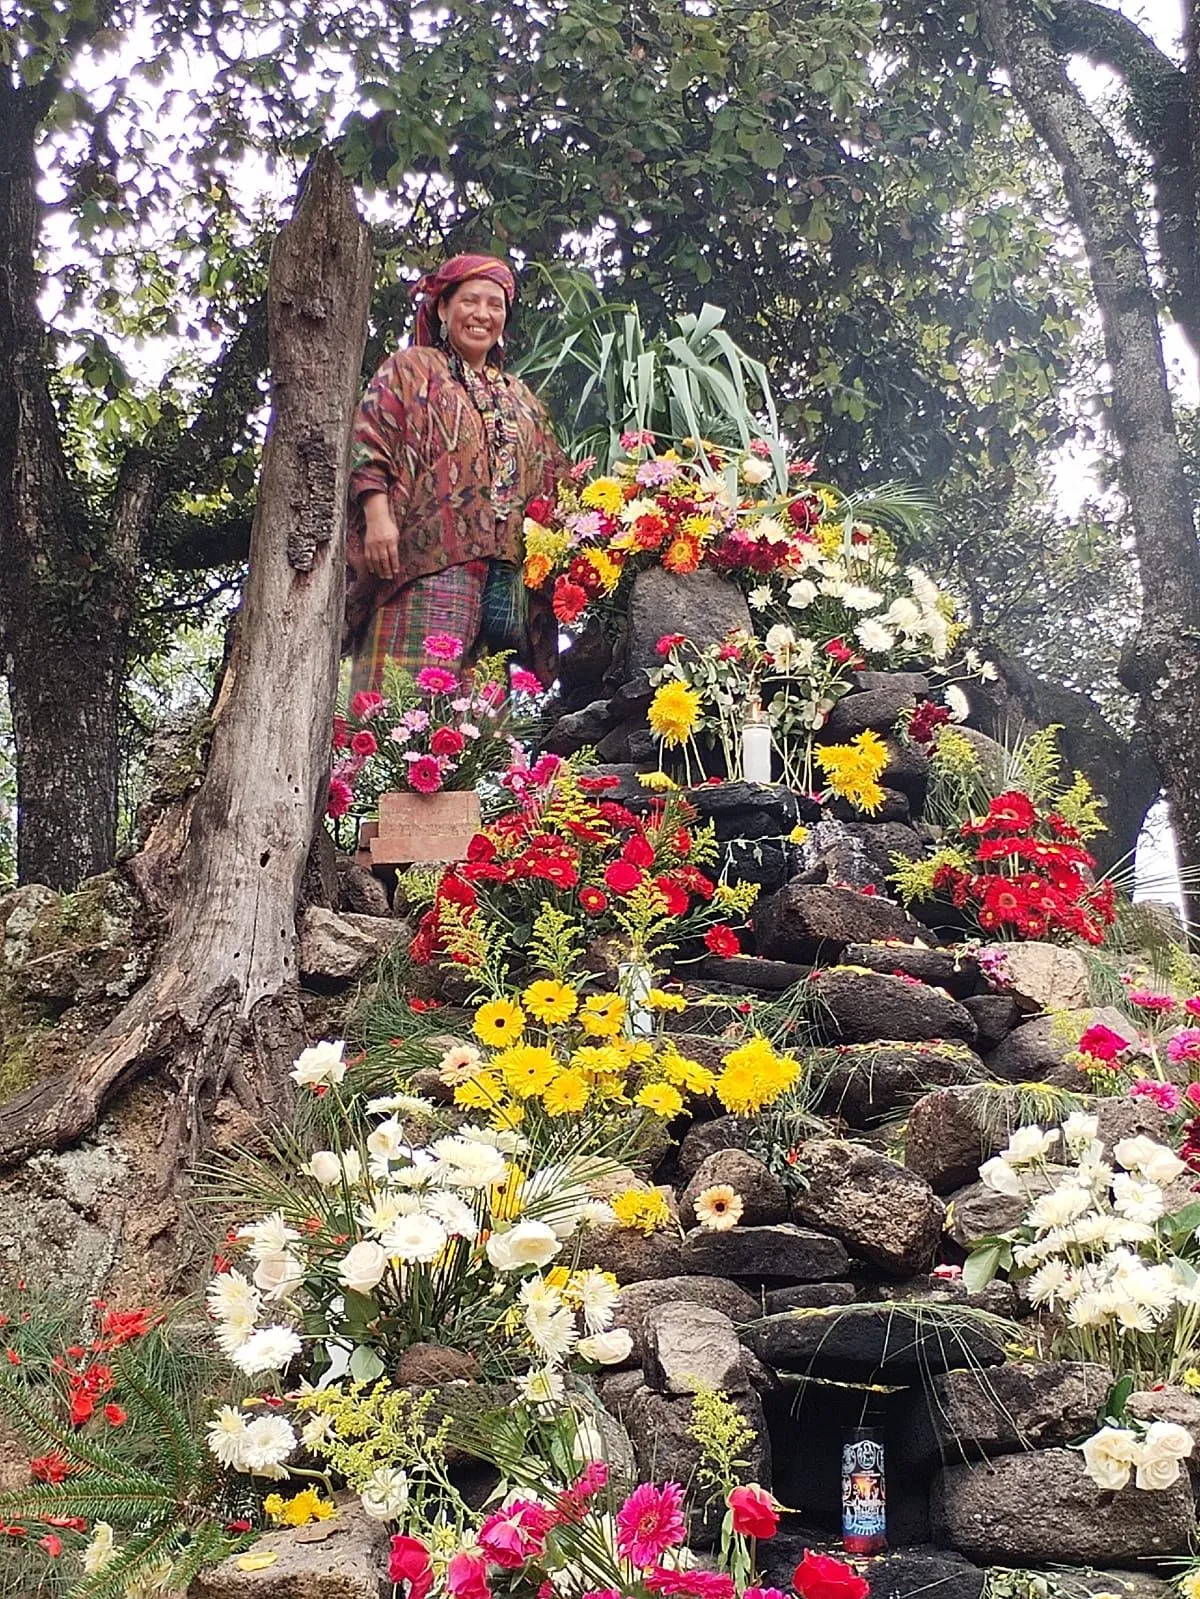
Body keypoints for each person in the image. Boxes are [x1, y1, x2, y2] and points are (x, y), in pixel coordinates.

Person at [344, 253, 566, 693]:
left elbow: (552, 478)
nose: (483, 314)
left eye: (495, 304)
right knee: (403, 708)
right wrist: (377, 515)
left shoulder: (521, 398)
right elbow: (369, 439)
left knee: (479, 727)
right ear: (443, 308)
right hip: (422, 569)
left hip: (501, 585)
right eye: (471, 301)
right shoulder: (411, 369)